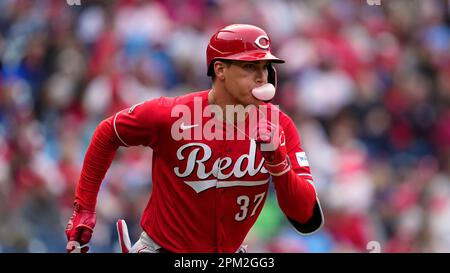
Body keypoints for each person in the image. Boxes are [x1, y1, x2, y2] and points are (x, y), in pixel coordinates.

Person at [65, 24, 324, 253]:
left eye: (265, 67)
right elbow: (107, 133)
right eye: (249, 66)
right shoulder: (171, 115)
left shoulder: (280, 125)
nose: (262, 76)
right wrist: (84, 209)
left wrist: (279, 165)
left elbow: (306, 217)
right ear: (220, 69)